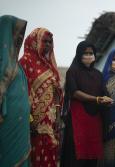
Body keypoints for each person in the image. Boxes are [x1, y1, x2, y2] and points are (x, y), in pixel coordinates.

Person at [60, 41, 113, 167]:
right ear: (79, 54)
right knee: (75, 156)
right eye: (85, 53)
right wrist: (96, 99)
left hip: (95, 121)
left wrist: (108, 99)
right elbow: (74, 93)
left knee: (92, 157)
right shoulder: (72, 71)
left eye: (91, 53)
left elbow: (103, 92)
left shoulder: (98, 74)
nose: (89, 56)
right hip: (77, 120)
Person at [19, 28, 63, 167]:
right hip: (30, 123)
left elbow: (56, 94)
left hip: (50, 123)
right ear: (34, 42)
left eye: (50, 42)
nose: (48, 45)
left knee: (50, 156)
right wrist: (29, 118)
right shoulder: (24, 63)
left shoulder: (50, 66)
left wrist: (57, 117)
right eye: (45, 41)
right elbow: (20, 92)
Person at [0, 15, 30, 166]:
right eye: (16, 34)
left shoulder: (15, 64)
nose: (19, 38)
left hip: (21, 123)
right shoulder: (2, 63)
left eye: (21, 35)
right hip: (6, 121)